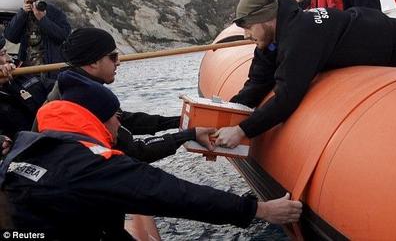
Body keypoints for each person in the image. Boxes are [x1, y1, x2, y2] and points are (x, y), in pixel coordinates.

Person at [0, 70, 302, 238]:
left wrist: (187, 132)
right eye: (116, 115)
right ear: (99, 119)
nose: (120, 121)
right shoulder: (91, 164)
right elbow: (169, 191)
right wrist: (258, 211)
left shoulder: (29, 142)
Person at [212, 0, 396, 148]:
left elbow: (287, 96)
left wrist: (242, 131)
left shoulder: (299, 35)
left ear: (265, 18)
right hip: (378, 37)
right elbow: (259, 81)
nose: (246, 34)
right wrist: (228, 112)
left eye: (249, 27)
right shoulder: (275, 37)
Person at [42, 27, 215, 161]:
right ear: (94, 62)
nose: (118, 62)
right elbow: (136, 151)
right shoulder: (82, 98)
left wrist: (179, 121)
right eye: (113, 57)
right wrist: (188, 134)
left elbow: (126, 120)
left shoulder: (72, 85)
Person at [3, 0, 71, 79]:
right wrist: (22, 13)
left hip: (51, 69)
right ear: (26, 1)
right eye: (34, 0)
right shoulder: (24, 15)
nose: (37, 2)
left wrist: (43, 19)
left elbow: (64, 36)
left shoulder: (53, 12)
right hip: (28, 69)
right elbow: (10, 36)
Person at [0, 39, 53, 138]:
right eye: (2, 54)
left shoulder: (20, 68)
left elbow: (48, 86)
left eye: (6, 52)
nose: (8, 58)